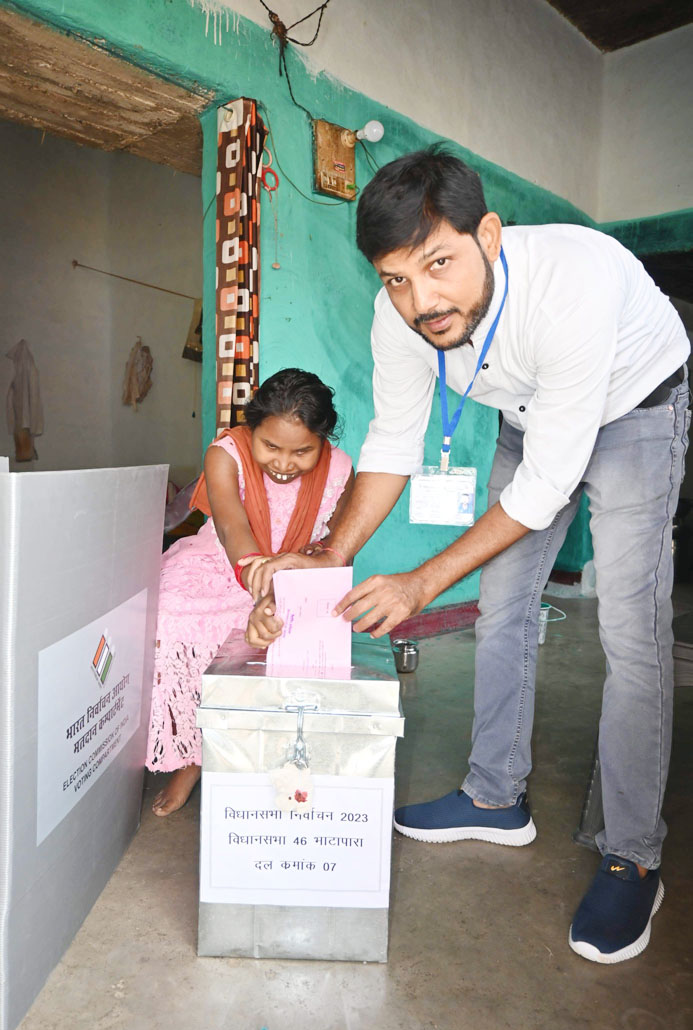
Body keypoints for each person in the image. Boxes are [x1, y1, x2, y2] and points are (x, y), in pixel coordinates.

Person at [249, 147, 690, 964]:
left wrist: (420, 579)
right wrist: (331, 553)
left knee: (629, 636)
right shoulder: (401, 314)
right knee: (500, 609)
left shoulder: (569, 284)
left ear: (488, 233)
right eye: (395, 278)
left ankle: (633, 852)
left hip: (637, 406)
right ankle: (494, 796)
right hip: (533, 414)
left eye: (438, 264)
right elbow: (390, 438)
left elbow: (548, 484)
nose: (421, 301)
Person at [146, 368, 353, 816]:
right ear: (250, 429)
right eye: (270, 446)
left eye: (302, 451)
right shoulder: (224, 453)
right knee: (167, 620)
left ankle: (244, 753)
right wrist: (256, 576)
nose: (283, 463)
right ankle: (192, 757)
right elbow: (230, 527)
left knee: (294, 639)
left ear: (324, 442)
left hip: (295, 575)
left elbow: (334, 544)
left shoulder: (340, 468)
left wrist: (289, 586)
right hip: (226, 564)